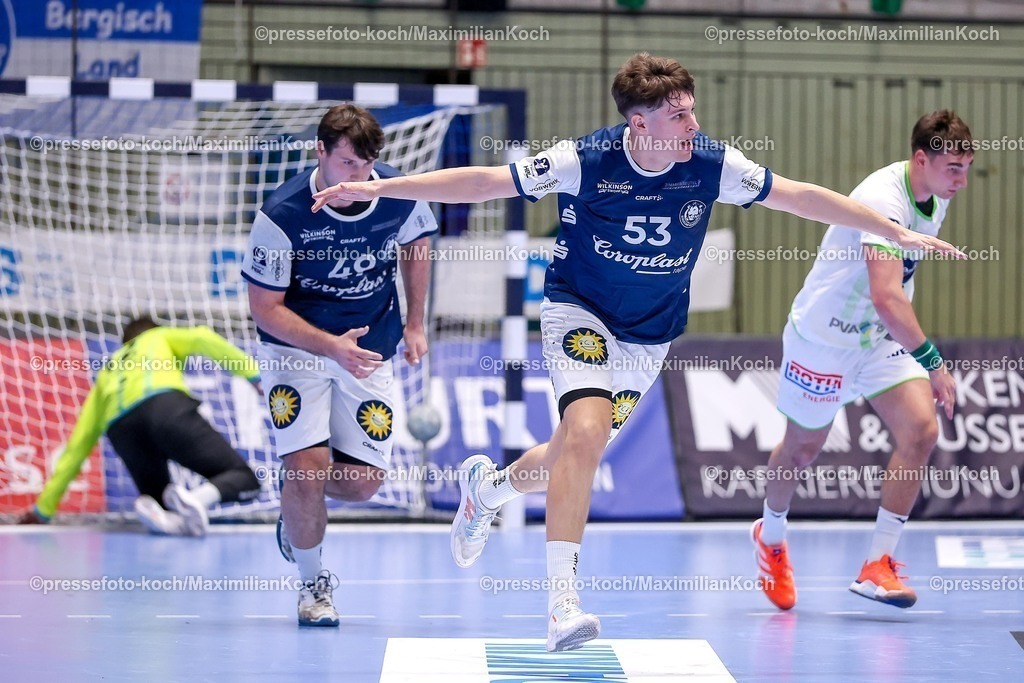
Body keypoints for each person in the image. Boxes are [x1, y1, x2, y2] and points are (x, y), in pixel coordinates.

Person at [311, 54, 964, 650]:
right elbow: (484, 183)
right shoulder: (585, 160)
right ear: (640, 121)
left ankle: (490, 488)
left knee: (575, 444)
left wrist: (891, 229)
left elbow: (801, 197)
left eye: (692, 110)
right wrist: (381, 189)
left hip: (649, 334)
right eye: (679, 115)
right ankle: (562, 604)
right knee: (587, 431)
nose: (693, 123)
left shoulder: (711, 163)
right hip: (579, 312)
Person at [751, 111, 972, 611]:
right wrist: (934, 361)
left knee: (921, 430)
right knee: (801, 450)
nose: (961, 179)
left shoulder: (935, 196)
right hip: (825, 338)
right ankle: (772, 535)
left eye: (966, 168)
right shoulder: (882, 199)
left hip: (877, 341)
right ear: (922, 159)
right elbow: (887, 297)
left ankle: (878, 565)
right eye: (953, 167)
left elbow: (893, 300)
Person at [242, 104, 436, 627]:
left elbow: (417, 245)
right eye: (348, 164)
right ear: (320, 152)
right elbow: (265, 309)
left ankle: (295, 502)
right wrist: (330, 345)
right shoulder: (282, 215)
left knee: (363, 484)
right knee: (305, 470)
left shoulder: (393, 190)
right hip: (297, 352)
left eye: (367, 165)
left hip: (370, 348)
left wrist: (416, 322)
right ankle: (312, 585)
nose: (359, 177)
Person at [17, 317, 263, 537]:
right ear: (153, 330)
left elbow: (79, 441)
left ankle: (167, 511)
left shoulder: (109, 369)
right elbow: (202, 336)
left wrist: (44, 509)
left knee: (163, 509)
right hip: (163, 407)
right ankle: (193, 500)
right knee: (243, 479)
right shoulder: (159, 336)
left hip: (122, 430)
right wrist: (254, 375)